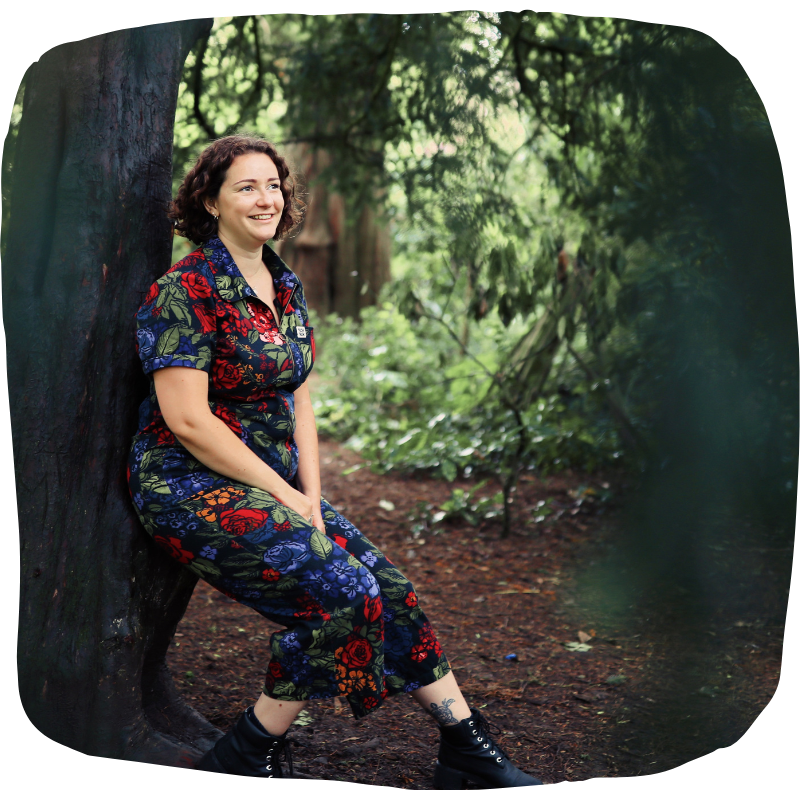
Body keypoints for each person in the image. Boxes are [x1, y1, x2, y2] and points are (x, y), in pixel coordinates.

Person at [127, 134, 542, 788]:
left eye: (274, 185)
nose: (267, 198)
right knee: (343, 594)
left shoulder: (283, 284)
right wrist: (284, 495)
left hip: (277, 487)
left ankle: (467, 750)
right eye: (247, 187)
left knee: (393, 591)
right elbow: (188, 421)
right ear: (209, 200)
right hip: (190, 486)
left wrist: (310, 495)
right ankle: (243, 756)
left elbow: (300, 399)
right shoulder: (185, 289)